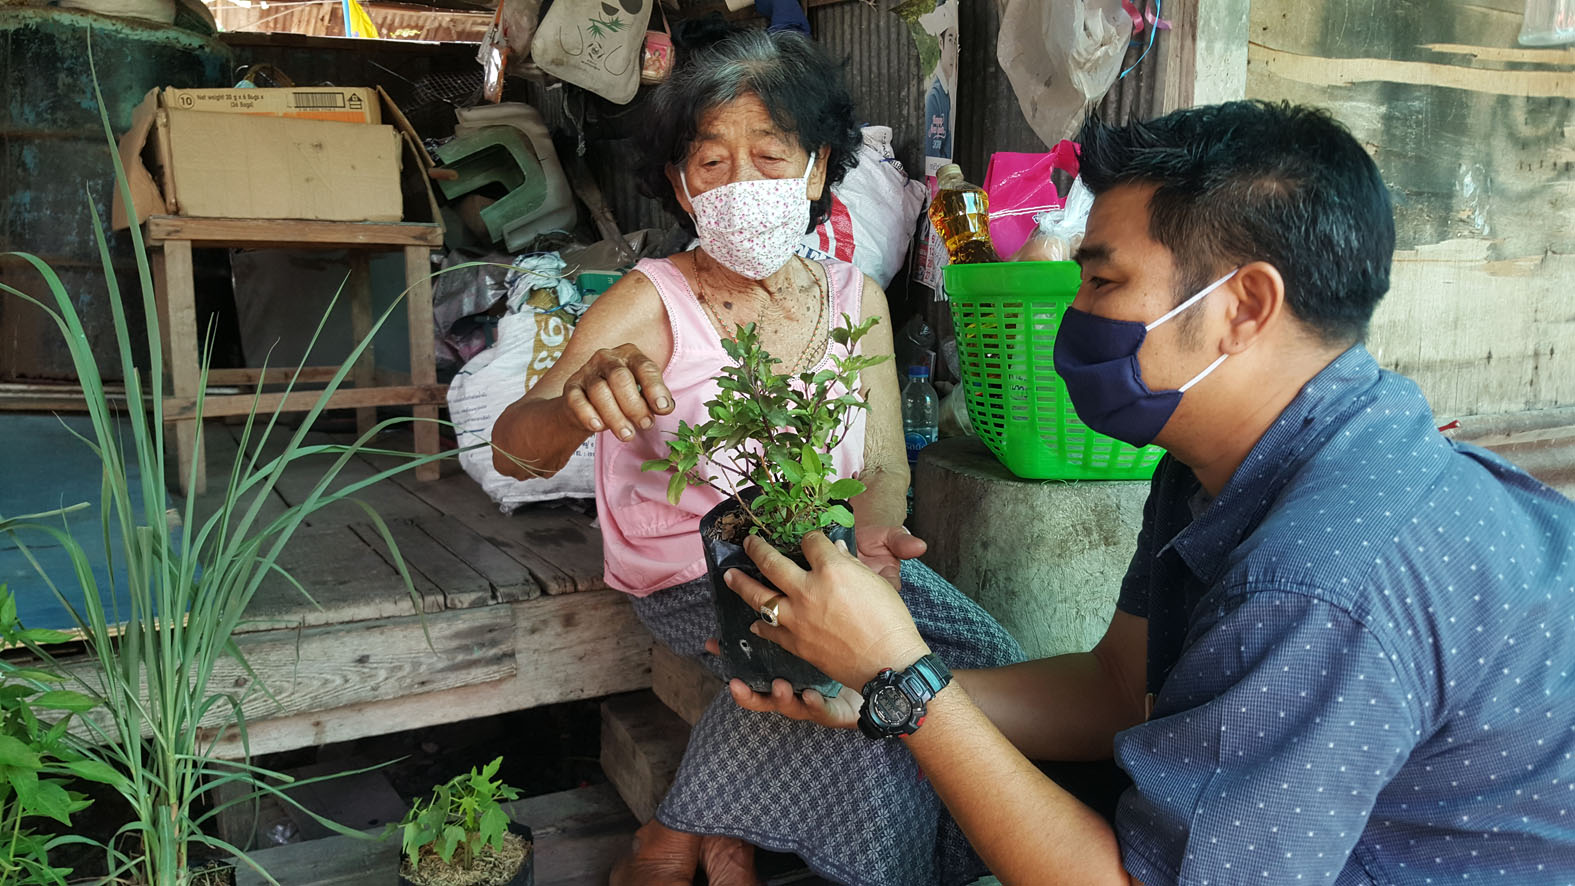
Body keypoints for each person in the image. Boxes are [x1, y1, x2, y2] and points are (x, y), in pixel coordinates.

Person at [721, 100, 1575, 884]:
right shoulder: (1222, 462)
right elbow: (1116, 688)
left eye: (1102, 282)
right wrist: (872, 685)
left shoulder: (1319, 580)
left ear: (1244, 305)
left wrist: (903, 681)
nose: (1074, 315)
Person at [488, 29, 1023, 886]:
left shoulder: (853, 296)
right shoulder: (650, 300)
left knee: (995, 667)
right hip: (693, 569)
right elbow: (515, 451)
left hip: (827, 552)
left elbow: (882, 467)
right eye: (711, 163)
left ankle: (685, 828)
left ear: (816, 170)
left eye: (770, 157)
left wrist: (871, 557)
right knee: (857, 699)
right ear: (680, 184)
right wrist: (576, 402)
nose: (742, 184)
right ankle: (706, 839)